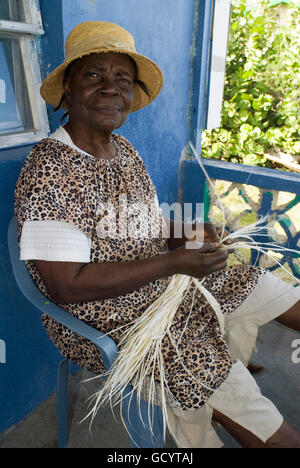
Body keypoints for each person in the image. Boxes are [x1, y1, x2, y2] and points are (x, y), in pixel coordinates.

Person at [14, 21, 300, 448]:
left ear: (132, 96)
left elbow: (139, 226)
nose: (110, 89)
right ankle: (224, 395)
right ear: (67, 91)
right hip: (103, 318)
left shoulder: (122, 150)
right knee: (216, 376)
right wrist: (173, 262)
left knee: (251, 280)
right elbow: (66, 286)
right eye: (94, 75)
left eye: (122, 80)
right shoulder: (52, 170)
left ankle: (219, 388)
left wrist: (185, 233)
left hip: (159, 286)